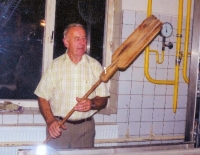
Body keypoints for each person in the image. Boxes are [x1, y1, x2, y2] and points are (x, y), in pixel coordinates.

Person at [34, 23, 110, 149]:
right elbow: (42, 97)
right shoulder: (55, 66)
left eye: (84, 38)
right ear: (66, 42)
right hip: (60, 128)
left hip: (85, 129)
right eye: (77, 39)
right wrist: (50, 121)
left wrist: (91, 103)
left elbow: (103, 99)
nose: (82, 42)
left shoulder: (95, 66)